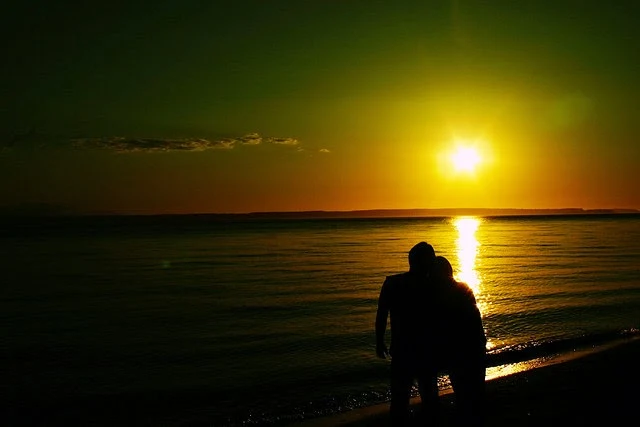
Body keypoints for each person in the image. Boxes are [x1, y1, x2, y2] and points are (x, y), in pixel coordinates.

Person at [376, 242, 439, 426]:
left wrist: (379, 341)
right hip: (424, 351)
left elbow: (381, 314)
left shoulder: (392, 283)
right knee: (428, 396)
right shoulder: (432, 287)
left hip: (404, 350)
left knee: (400, 399)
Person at [431, 255, 486, 427]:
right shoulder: (464, 288)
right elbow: (475, 319)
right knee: (474, 393)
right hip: (474, 347)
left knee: (464, 393)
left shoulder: (441, 295)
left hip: (460, 350)